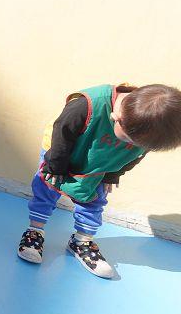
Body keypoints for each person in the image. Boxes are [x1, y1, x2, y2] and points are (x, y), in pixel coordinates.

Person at [17, 83, 181, 278]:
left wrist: (112, 175)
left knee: (96, 198)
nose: (132, 146)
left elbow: (131, 158)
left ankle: (81, 241)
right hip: (60, 153)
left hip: (100, 162)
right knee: (47, 189)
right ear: (116, 118)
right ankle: (35, 231)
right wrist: (55, 166)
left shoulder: (147, 130)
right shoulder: (85, 106)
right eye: (129, 141)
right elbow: (62, 132)